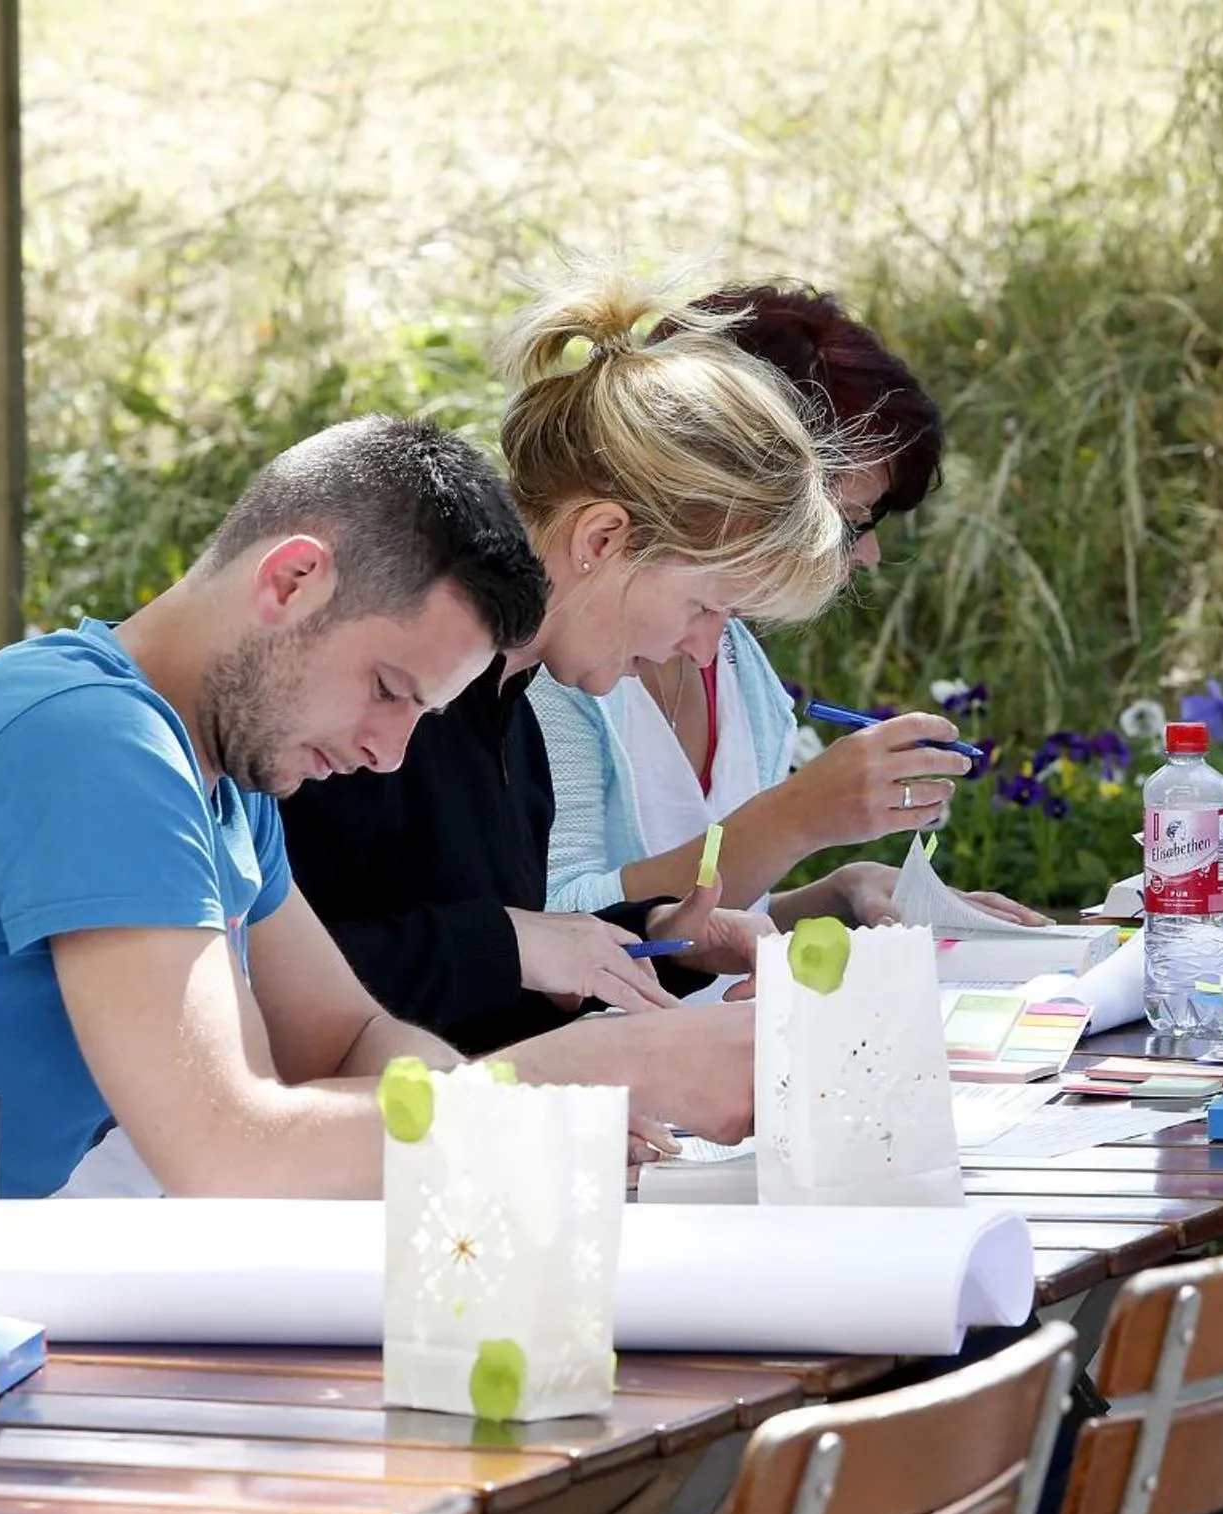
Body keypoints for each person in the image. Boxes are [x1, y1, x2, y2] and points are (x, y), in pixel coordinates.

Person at [0, 416, 753, 1198]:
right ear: (291, 582)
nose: (389, 752)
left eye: (421, 716)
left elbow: (345, 1038)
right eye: (388, 687)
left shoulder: (222, 778)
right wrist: (597, 1072)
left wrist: (513, 1117)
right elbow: (226, 1150)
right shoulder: (93, 742)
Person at [278, 266, 855, 1056]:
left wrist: (655, 941)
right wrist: (512, 945)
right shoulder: (385, 687)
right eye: (703, 607)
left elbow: (482, 985)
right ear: (601, 540)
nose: (700, 649)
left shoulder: (515, 708)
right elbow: (253, 974)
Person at [531, 282, 1040, 930]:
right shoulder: (567, 658)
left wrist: (836, 894)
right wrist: (793, 820)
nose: (868, 552)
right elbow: (548, 932)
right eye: (852, 521)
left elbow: (704, 933)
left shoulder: (728, 651)